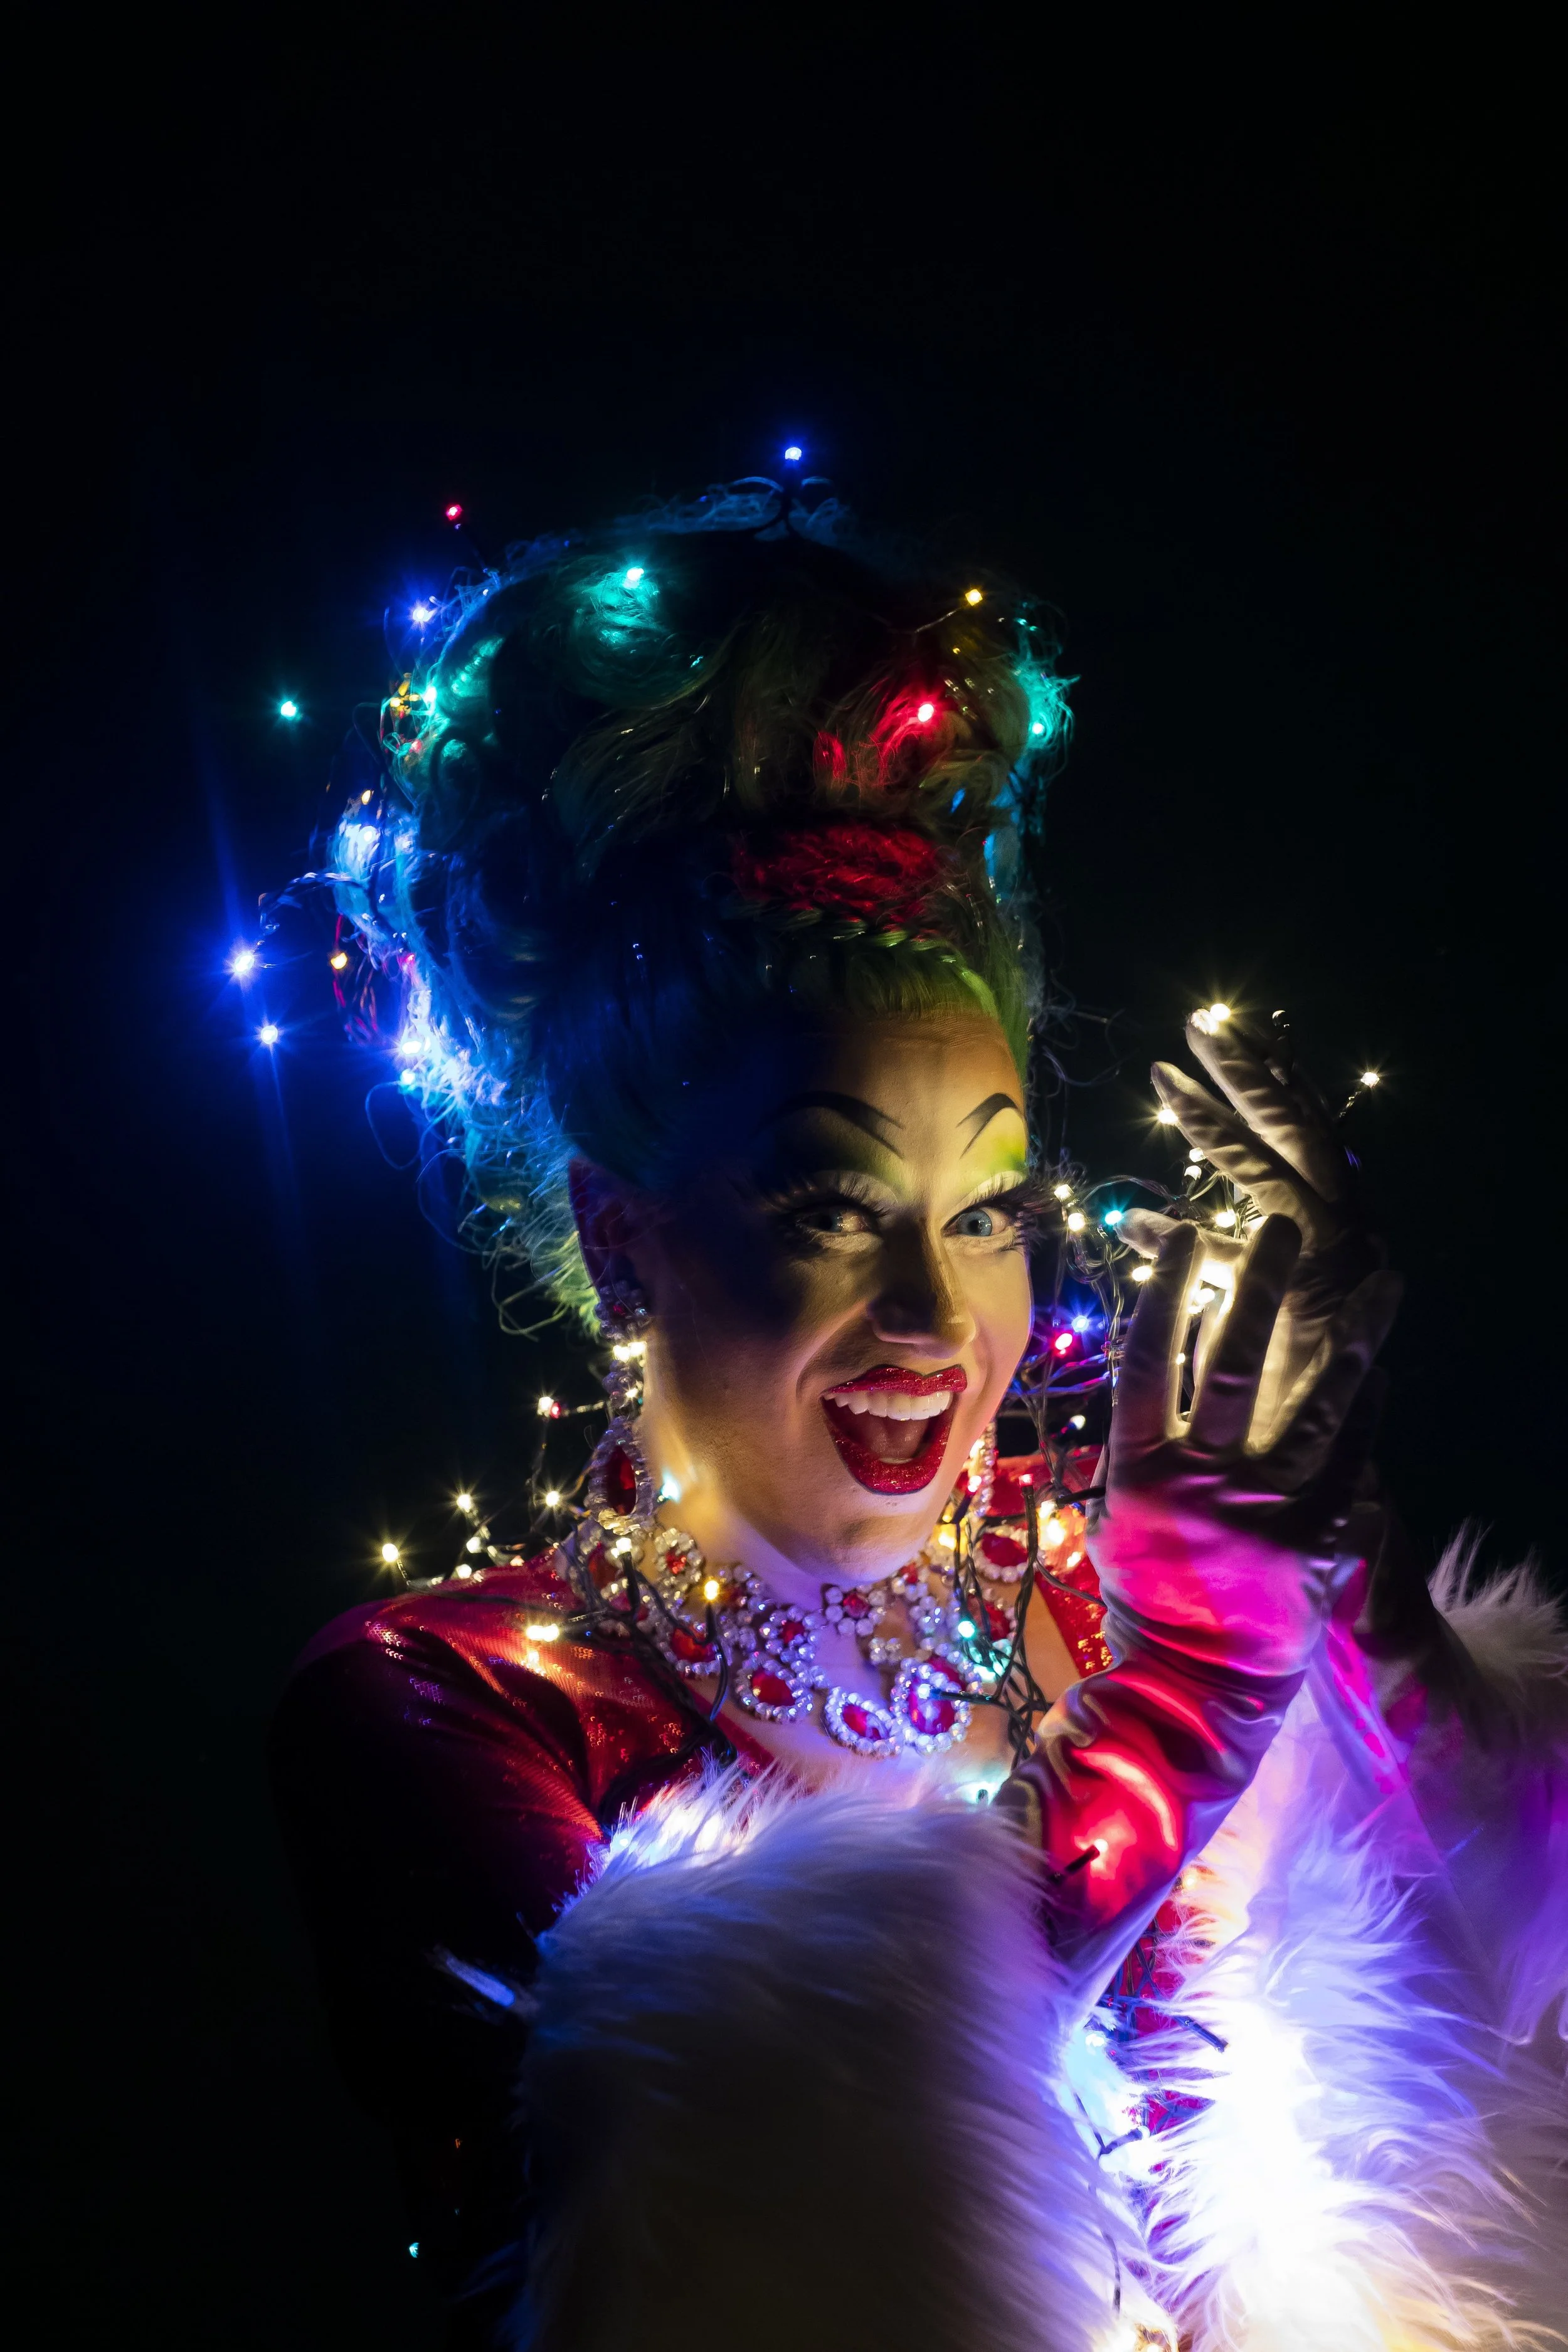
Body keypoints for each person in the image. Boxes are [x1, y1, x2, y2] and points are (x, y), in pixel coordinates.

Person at [270, 490, 1565, 2351]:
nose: (934, 1319)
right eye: (826, 1202)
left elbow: (1499, 1999)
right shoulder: (441, 1703)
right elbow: (771, 2212)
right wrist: (1192, 1680)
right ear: (618, 1235)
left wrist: (1342, 1585)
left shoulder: (1100, 1590)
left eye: (983, 1210)